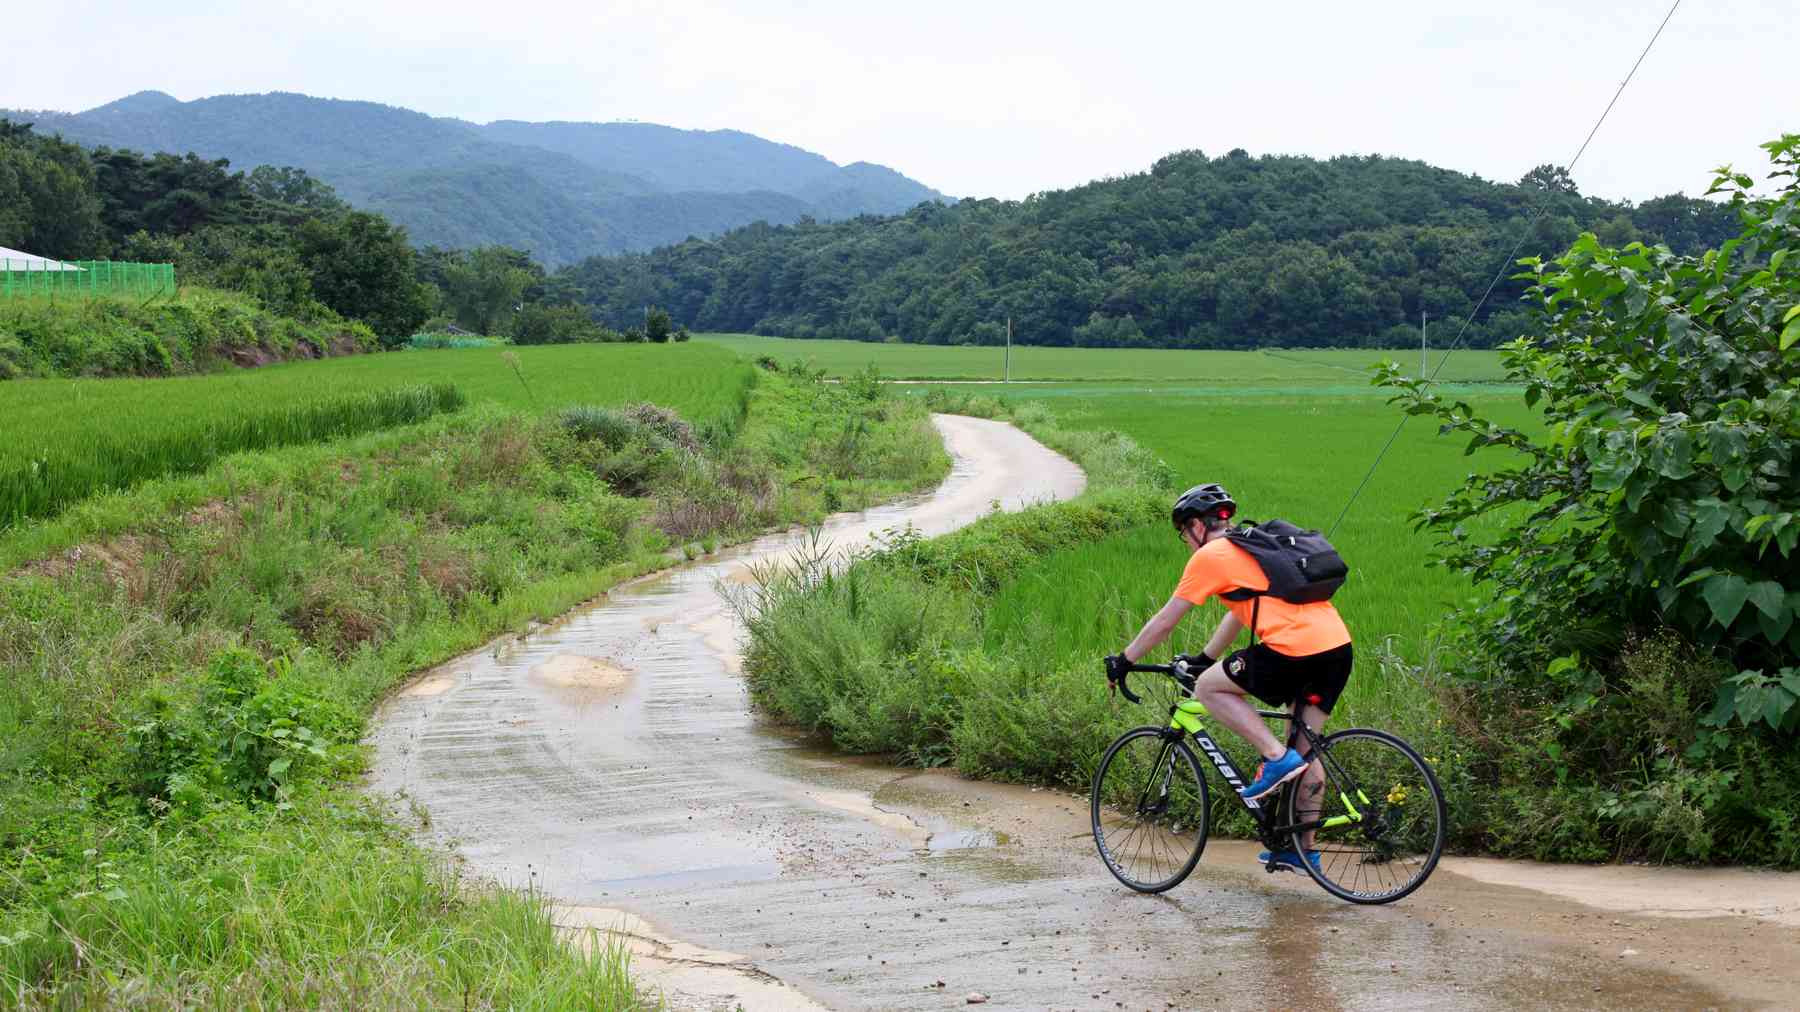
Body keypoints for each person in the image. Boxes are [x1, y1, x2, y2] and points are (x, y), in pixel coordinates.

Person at [1103, 483, 1353, 872]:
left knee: (1208, 688)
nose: (1185, 541)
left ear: (1195, 527)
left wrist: (1124, 659)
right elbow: (1239, 612)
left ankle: (1274, 758)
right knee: (1306, 750)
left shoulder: (1212, 555)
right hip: (1335, 649)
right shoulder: (1251, 547)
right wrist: (1206, 656)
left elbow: (1167, 620)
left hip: (1293, 649)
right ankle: (1301, 851)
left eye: (1184, 533)